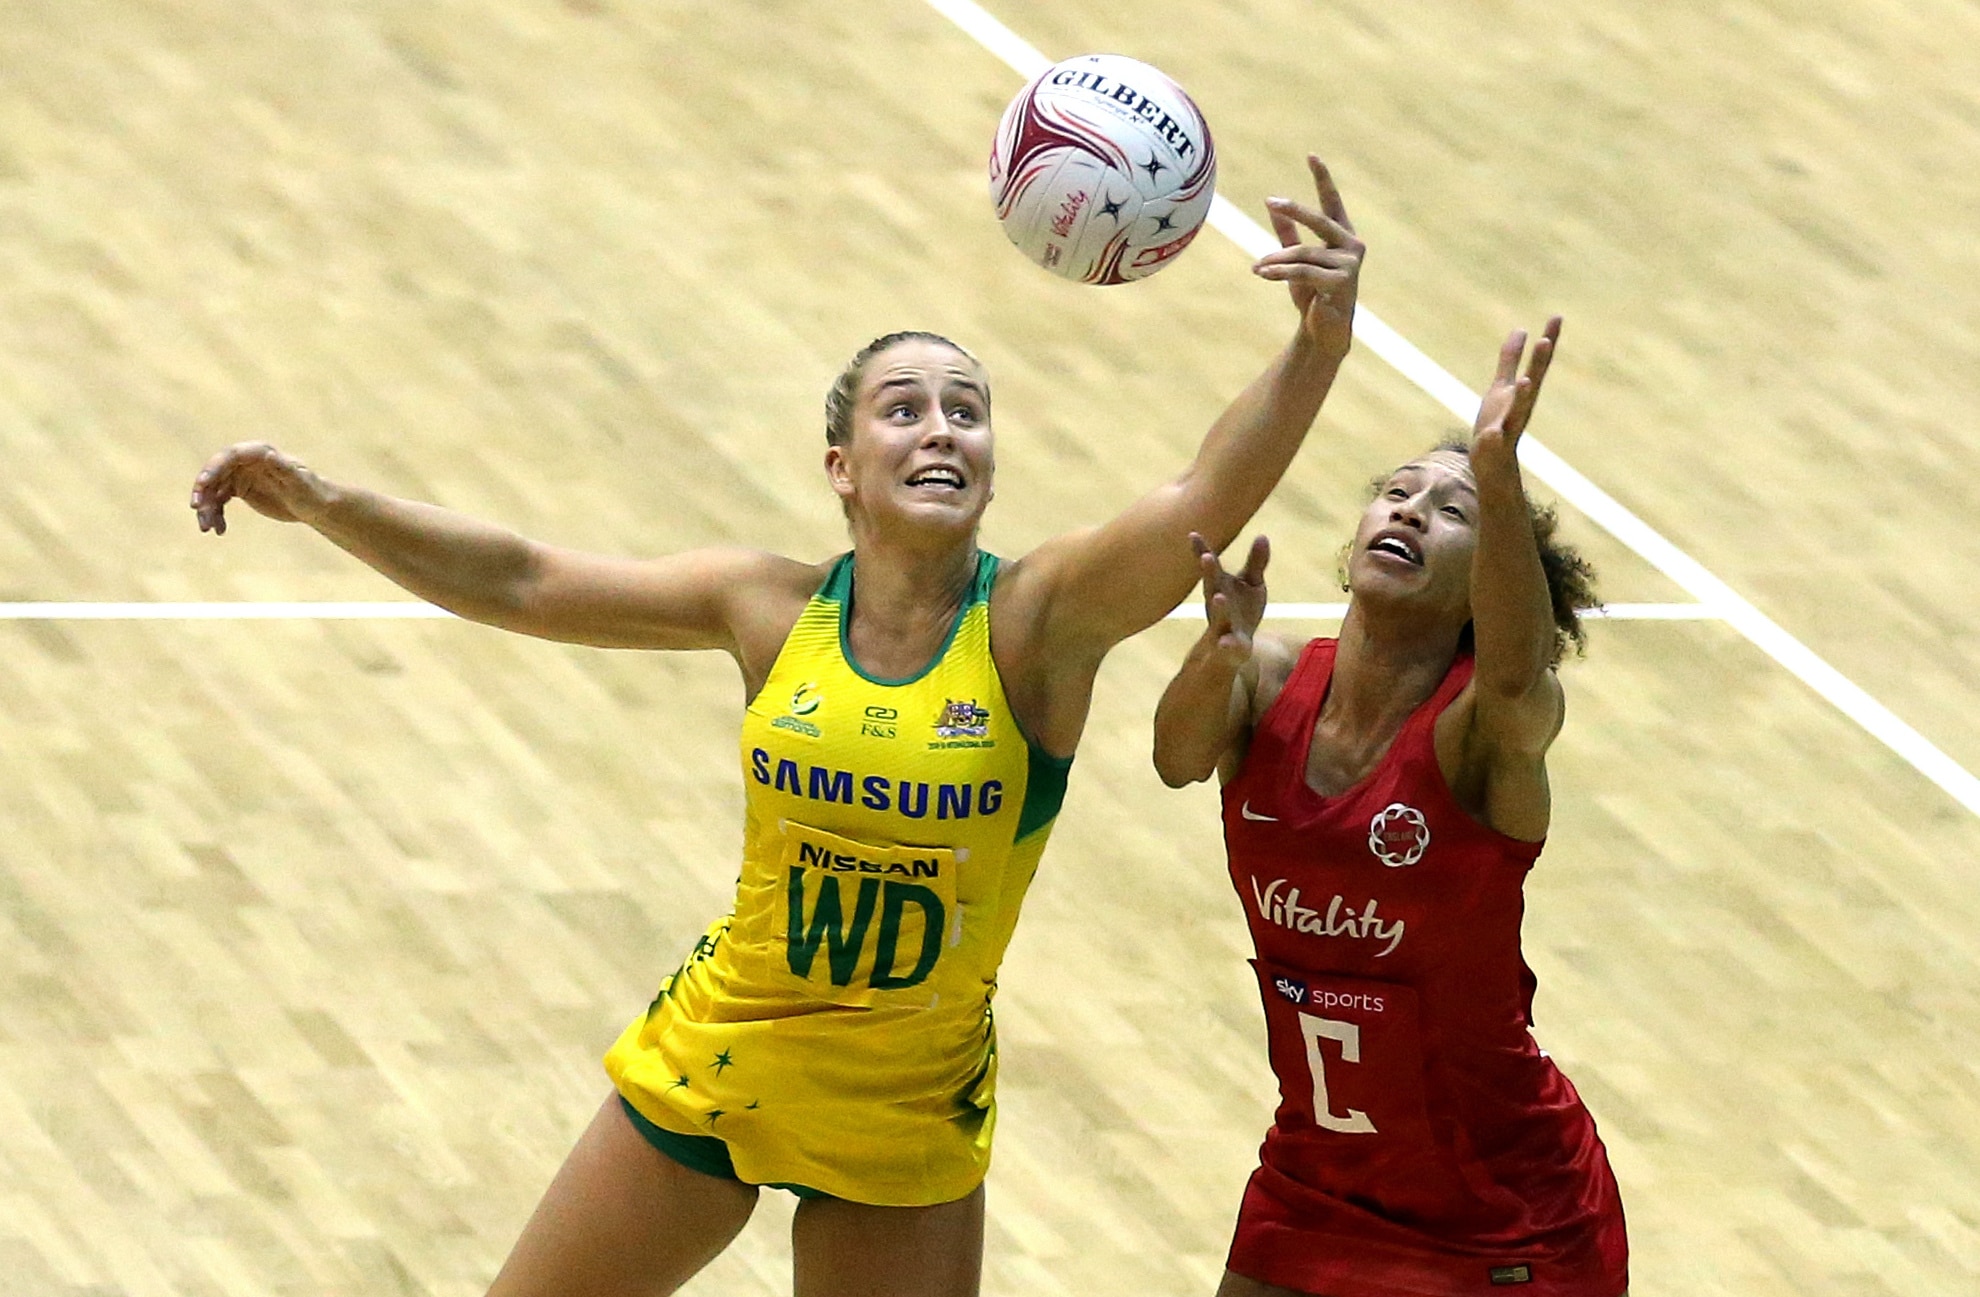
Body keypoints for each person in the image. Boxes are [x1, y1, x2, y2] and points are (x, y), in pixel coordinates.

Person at [189, 156, 1365, 1297]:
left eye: (968, 412)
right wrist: (330, 505)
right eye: (904, 410)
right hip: (721, 1055)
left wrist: (1314, 350)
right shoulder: (770, 606)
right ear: (842, 468)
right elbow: (524, 577)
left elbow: (1199, 496)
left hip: (905, 1106)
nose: (943, 430)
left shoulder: (1033, 624)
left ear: (993, 471)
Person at [1152, 319, 1629, 1297]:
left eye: (1448, 511)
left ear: (1487, 577)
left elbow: (1516, 670)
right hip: (1319, 1182)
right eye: (1397, 493)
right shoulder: (1275, 676)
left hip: (1505, 1213)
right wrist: (1218, 654)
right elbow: (1173, 756)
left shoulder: (1483, 730)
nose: (1408, 511)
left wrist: (1497, 478)